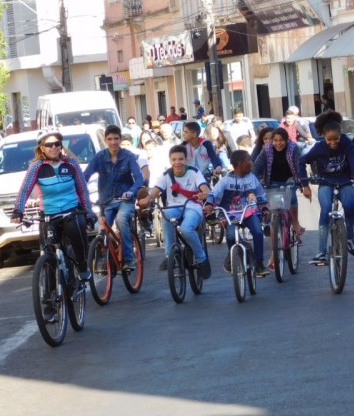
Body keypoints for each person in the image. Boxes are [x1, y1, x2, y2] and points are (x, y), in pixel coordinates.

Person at [11, 127, 95, 294]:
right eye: (49, 144)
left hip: (71, 210)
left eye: (57, 143)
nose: (54, 147)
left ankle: (82, 265)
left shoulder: (71, 164)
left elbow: (82, 190)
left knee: (75, 228)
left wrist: (89, 212)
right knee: (48, 254)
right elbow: (25, 189)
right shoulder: (36, 167)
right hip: (49, 215)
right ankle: (49, 301)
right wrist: (18, 211)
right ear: (41, 147)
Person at [299, 111, 354, 264]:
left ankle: (350, 239)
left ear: (341, 134)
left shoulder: (347, 143)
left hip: (345, 181)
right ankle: (321, 252)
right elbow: (302, 161)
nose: (333, 143)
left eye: (336, 138)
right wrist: (305, 184)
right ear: (323, 136)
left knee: (350, 207)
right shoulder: (318, 148)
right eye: (329, 139)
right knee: (325, 211)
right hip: (325, 182)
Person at [139, 145, 211, 278]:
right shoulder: (165, 175)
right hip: (173, 207)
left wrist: (204, 193)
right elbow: (155, 191)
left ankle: (201, 258)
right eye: (174, 159)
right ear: (170, 160)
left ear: (186, 159)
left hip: (192, 206)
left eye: (180, 159)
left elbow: (204, 188)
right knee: (166, 218)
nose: (177, 162)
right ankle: (168, 255)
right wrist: (147, 199)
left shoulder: (194, 172)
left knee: (186, 229)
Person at [83, 124, 144, 272]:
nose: (113, 142)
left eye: (116, 138)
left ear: (120, 139)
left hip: (125, 200)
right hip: (106, 201)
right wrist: (80, 193)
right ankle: (105, 258)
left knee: (121, 219)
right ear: (105, 140)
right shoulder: (99, 157)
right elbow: (84, 177)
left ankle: (129, 259)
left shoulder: (128, 156)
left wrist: (131, 192)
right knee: (101, 230)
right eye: (109, 139)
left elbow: (139, 179)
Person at [204, 150, 270, 277]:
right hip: (231, 214)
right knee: (230, 237)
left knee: (258, 232)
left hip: (250, 212)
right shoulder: (225, 180)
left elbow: (261, 195)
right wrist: (208, 205)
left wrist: (264, 209)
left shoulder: (252, 178)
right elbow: (213, 194)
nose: (251, 163)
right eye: (248, 160)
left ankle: (259, 264)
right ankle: (233, 256)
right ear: (239, 163)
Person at [253, 126, 309, 238]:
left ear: (287, 140)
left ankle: (295, 223)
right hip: (272, 181)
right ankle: (274, 253)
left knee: (291, 196)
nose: (279, 143)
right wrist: (253, 182)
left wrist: (304, 183)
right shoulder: (266, 149)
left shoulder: (294, 148)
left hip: (290, 179)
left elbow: (299, 166)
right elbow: (257, 166)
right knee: (274, 213)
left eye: (281, 140)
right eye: (275, 140)